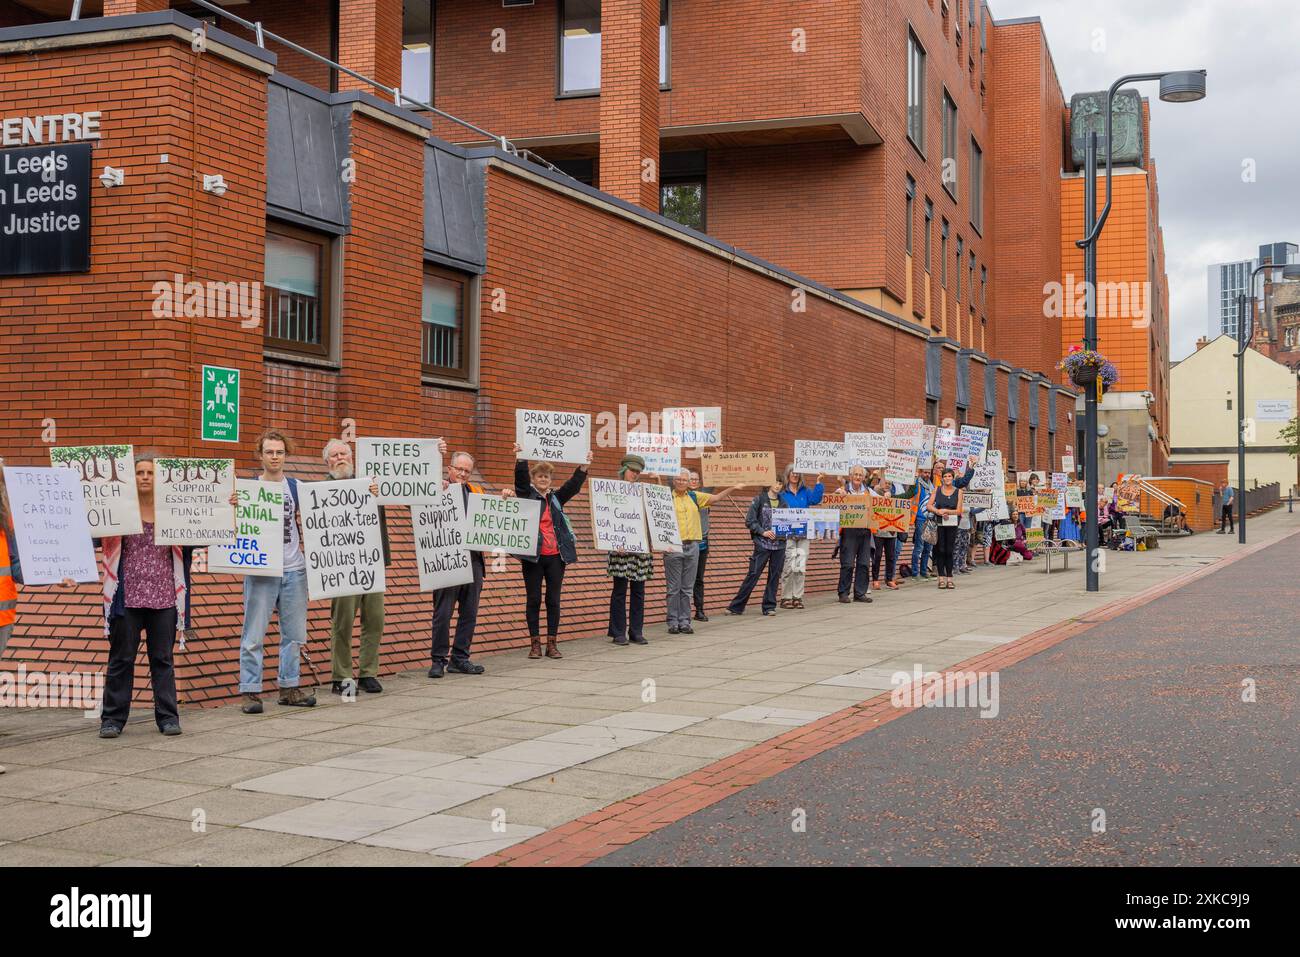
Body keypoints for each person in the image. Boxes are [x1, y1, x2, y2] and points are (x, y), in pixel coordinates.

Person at [97, 453, 234, 738]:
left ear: (159, 479)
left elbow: (204, 532)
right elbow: (91, 533)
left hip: (166, 598)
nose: (145, 477)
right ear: (131, 478)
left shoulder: (175, 511)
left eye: (150, 472)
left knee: (163, 659)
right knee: (121, 659)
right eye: (139, 472)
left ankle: (168, 718)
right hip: (127, 598)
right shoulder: (118, 510)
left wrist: (225, 509)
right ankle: (112, 720)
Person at [323, 437, 431, 695]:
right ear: (327, 462)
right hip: (342, 565)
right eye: (335, 455)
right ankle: (342, 677)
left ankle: (368, 673)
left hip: (372, 561)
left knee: (375, 620)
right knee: (343, 622)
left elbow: (414, 493)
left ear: (352, 458)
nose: (340, 459)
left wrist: (433, 456)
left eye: (344, 454)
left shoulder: (371, 484)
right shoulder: (321, 490)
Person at [240, 430, 315, 713]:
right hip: (261, 569)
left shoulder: (296, 487)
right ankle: (250, 692)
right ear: (260, 455)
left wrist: (367, 492)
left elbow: (328, 507)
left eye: (279, 452)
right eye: (269, 452)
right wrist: (231, 507)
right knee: (254, 635)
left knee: (294, 635)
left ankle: (289, 687)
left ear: (286, 454)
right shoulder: (247, 487)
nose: (274, 457)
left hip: (295, 569)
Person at [430, 451, 514, 677]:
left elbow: (493, 515)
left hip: (474, 559)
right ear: (450, 468)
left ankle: (459, 658)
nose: (463, 474)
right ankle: (438, 660)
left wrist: (505, 499)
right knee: (443, 613)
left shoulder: (477, 491)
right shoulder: (437, 489)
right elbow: (416, 510)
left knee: (469, 613)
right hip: (446, 560)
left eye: (467, 470)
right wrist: (431, 489)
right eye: (459, 469)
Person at [513, 444, 590, 660]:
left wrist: (583, 466)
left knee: (553, 600)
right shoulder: (526, 496)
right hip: (533, 557)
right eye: (540, 476)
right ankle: (535, 645)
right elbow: (519, 481)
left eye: (547, 476)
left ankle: (552, 644)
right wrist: (521, 458)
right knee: (534, 599)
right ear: (534, 478)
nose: (544, 479)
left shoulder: (556, 498)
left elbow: (573, 486)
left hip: (556, 557)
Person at [664, 469, 743, 634]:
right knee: (673, 588)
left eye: (684, 480)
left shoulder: (694, 496)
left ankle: (685, 621)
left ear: (688, 482)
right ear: (673, 481)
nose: (681, 482)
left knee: (687, 587)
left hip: (693, 546)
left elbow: (716, 498)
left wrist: (733, 488)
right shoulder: (666, 497)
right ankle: (672, 621)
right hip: (673, 546)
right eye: (678, 479)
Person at [608, 455, 651, 646]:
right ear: (623, 469)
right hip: (620, 548)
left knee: (638, 591)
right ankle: (618, 632)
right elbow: (606, 518)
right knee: (619, 591)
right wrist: (615, 541)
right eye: (632, 470)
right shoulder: (611, 491)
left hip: (641, 548)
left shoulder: (644, 492)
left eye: (638, 472)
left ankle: (636, 631)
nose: (635, 474)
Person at [727, 480, 787, 616]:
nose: (778, 486)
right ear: (769, 483)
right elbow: (750, 520)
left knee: (774, 576)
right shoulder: (759, 499)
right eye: (776, 482)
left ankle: (769, 607)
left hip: (780, 545)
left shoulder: (784, 502)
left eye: (780, 484)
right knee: (753, 574)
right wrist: (762, 531)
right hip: (761, 544)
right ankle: (736, 607)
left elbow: (789, 522)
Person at [778, 465, 824, 609]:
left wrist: (819, 482)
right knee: (788, 565)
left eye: (797, 472)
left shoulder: (805, 491)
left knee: (800, 565)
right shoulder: (782, 492)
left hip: (804, 532)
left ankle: (797, 596)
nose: (795, 474)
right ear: (788, 474)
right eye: (792, 472)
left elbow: (816, 499)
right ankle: (785, 597)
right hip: (787, 533)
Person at [834, 466, 873, 603]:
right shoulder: (843, 490)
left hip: (865, 531)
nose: (857, 477)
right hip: (849, 531)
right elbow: (832, 504)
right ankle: (843, 593)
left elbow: (881, 503)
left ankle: (860, 593)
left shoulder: (868, 491)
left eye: (860, 475)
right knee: (848, 563)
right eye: (855, 474)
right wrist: (838, 496)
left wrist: (886, 495)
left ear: (863, 477)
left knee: (864, 564)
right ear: (850, 476)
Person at [927, 466, 964, 589]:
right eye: (945, 476)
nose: (947, 478)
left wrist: (947, 511)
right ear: (942, 478)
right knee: (940, 550)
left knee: (949, 550)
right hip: (939, 523)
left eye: (949, 476)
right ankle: (941, 578)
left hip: (952, 524)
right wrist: (938, 511)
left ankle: (950, 578)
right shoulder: (937, 490)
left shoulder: (959, 492)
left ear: (953, 478)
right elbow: (929, 505)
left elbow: (959, 511)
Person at [869, 472, 900, 590]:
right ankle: (875, 580)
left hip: (891, 531)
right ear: (880, 482)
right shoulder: (874, 493)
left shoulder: (895, 495)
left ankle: (889, 579)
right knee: (877, 556)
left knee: (891, 556)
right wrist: (872, 476)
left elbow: (910, 493)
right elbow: (866, 487)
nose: (887, 485)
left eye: (889, 483)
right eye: (885, 483)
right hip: (878, 530)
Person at [688, 470, 712, 622]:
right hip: (688, 541)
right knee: (685, 579)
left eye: (696, 479)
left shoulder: (704, 496)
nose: (694, 481)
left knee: (699, 578)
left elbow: (714, 481)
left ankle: (699, 609)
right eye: (691, 479)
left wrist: (718, 457)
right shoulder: (681, 496)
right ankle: (683, 612)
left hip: (703, 541)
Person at [910, 469, 935, 579]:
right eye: (925, 472)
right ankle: (915, 573)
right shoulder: (917, 484)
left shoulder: (932, 486)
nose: (927, 475)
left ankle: (924, 571)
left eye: (928, 473)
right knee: (919, 546)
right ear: (920, 473)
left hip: (931, 519)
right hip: (920, 518)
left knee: (927, 547)